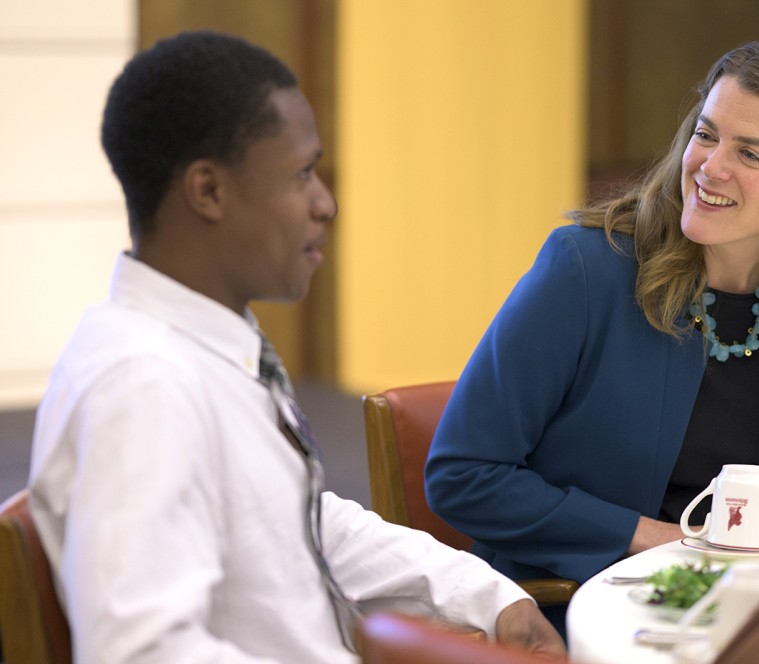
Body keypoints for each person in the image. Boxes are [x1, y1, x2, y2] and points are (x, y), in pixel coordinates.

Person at [27, 31, 564, 662]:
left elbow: (301, 521)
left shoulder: (204, 344)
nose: (326, 203)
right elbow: (144, 651)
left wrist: (490, 596)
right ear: (208, 191)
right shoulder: (144, 385)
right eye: (301, 174)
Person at [425, 40, 759, 624]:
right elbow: (463, 475)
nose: (711, 166)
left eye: (750, 154)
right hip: (569, 608)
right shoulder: (585, 269)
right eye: (706, 134)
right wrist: (650, 538)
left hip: (727, 610)